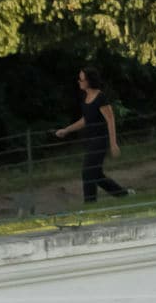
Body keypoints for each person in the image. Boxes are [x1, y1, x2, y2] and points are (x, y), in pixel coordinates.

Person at [54, 66, 132, 204]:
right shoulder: (85, 97)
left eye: (81, 79)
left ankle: (90, 203)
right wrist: (66, 130)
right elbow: (85, 120)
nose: (79, 81)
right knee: (96, 174)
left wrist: (113, 143)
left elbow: (110, 120)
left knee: (88, 172)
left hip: (100, 140)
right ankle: (123, 194)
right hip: (90, 140)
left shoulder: (100, 97)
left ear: (89, 81)